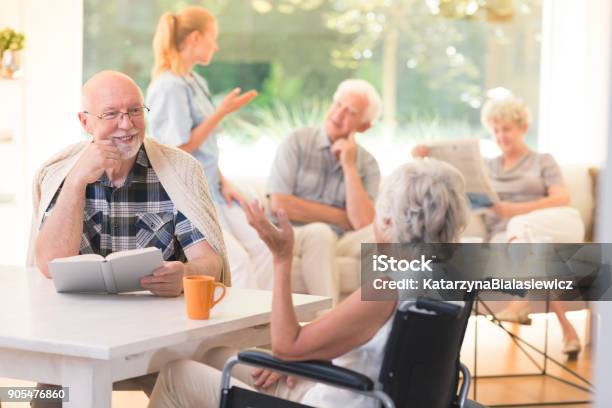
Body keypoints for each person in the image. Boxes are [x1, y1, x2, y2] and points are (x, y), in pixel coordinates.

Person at [147, 159, 470, 408]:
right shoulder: (446, 279)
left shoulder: (386, 288)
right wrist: (299, 358)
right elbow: (353, 346)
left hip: (339, 399)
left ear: (387, 220)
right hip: (360, 391)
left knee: (177, 374)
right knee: (213, 355)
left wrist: (282, 258)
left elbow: (288, 344)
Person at [26, 70, 230, 405]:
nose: (127, 124)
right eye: (111, 114)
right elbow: (48, 264)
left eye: (135, 111)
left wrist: (185, 274)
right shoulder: (60, 172)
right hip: (77, 337)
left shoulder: (179, 171)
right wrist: (78, 181)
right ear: (85, 121)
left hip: (160, 341)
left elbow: (211, 260)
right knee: (44, 400)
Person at [412, 96, 584, 356]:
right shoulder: (487, 167)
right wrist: (425, 160)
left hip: (551, 222)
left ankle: (520, 304)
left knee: (523, 227)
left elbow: (562, 198)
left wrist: (515, 210)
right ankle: (566, 327)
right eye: (496, 130)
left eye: (507, 129)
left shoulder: (542, 160)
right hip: (511, 236)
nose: (501, 136)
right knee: (535, 246)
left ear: (523, 128)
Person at [146, 6, 267, 289]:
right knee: (236, 262)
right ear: (196, 38)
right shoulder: (169, 86)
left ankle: (264, 323)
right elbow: (177, 150)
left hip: (213, 187)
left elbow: (206, 148)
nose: (217, 45)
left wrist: (224, 181)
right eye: (213, 37)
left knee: (263, 247)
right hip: (190, 194)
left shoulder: (194, 81)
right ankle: (238, 326)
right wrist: (221, 112)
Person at [266, 79, 382, 303]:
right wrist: (341, 216)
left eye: (351, 112)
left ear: (364, 126)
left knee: (390, 235)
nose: (338, 115)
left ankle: (395, 324)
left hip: (342, 238)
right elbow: (280, 205)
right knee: (320, 233)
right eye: (338, 104)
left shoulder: (367, 164)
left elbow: (362, 223)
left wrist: (349, 166)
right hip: (293, 233)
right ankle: (328, 320)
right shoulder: (297, 142)